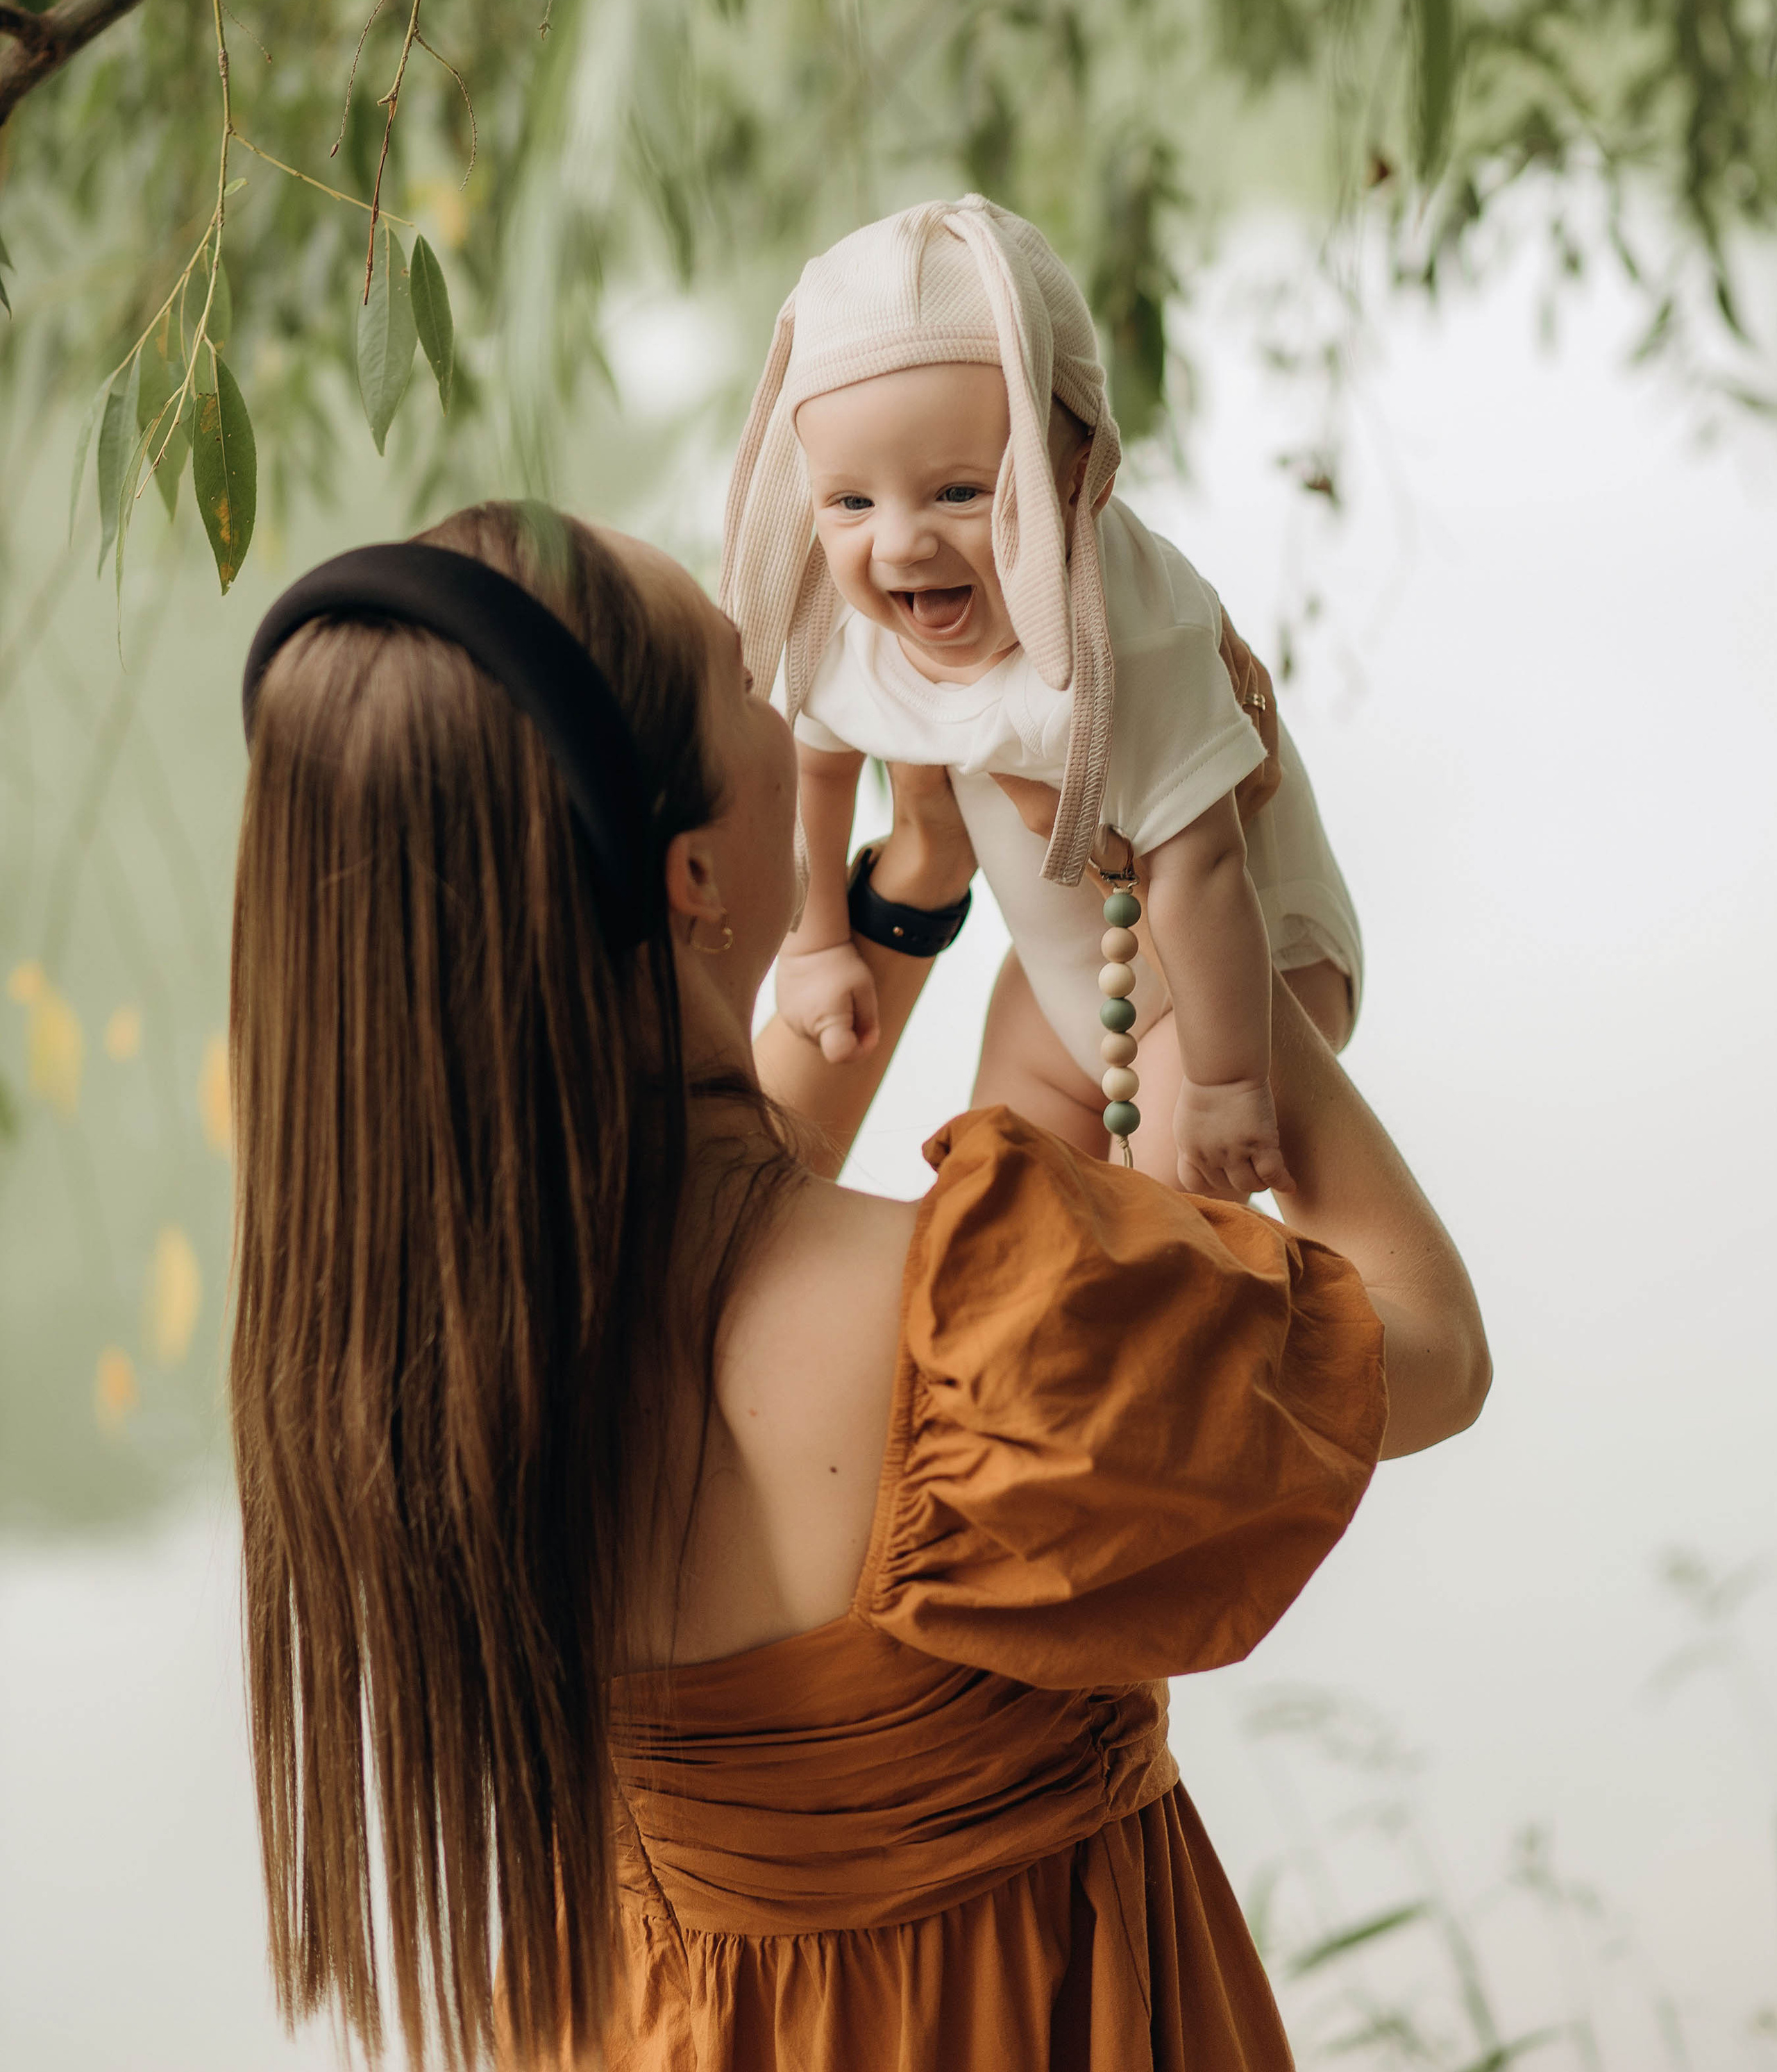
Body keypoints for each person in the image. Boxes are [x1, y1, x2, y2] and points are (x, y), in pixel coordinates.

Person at [228, 499, 1489, 2072]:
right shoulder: (965, 1319)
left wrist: (910, 878)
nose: (802, 680)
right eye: (740, 663)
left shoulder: (410, 1355)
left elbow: (729, 1167)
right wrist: (1198, 905)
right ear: (693, 871)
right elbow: (1427, 1346)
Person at [720, 193, 1364, 1202]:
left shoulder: (1139, 636)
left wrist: (1231, 1078)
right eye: (851, 501)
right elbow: (816, 759)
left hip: (1242, 962)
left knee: (1138, 1236)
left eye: (960, 492)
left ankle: (1214, 1122)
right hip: (1074, 968)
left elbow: (1200, 868)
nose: (899, 544)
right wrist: (814, 944)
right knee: (1002, 1186)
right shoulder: (852, 623)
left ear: (1082, 477)